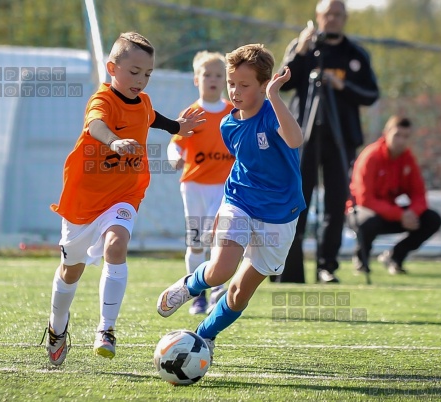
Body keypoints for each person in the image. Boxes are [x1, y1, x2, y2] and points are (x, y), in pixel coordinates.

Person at [42, 32, 205, 366]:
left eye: (147, 74)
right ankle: (57, 327)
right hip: (84, 200)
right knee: (70, 271)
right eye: (134, 72)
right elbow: (96, 124)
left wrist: (177, 126)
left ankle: (106, 329)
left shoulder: (142, 102)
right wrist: (114, 142)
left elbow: (150, 116)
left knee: (117, 244)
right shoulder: (101, 100)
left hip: (125, 193)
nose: (141, 80)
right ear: (112, 68)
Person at [156, 43, 305, 360]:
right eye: (231, 83)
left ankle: (205, 335)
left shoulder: (273, 113)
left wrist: (276, 97)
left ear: (264, 85)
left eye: (244, 85)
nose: (235, 91)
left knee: (238, 293)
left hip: (281, 215)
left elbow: (295, 139)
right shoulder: (228, 124)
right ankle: (190, 287)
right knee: (221, 269)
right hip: (239, 200)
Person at [276, 0, 379, 284]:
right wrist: (300, 51)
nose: (332, 19)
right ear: (317, 17)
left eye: (337, 14)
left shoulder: (354, 53)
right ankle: (287, 266)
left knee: (335, 204)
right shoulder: (304, 47)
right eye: (327, 14)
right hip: (302, 137)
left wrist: (342, 85)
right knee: (297, 200)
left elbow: (371, 94)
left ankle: (327, 266)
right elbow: (282, 84)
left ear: (344, 18)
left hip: (340, 137)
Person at [167, 50, 234, 315]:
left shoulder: (234, 112)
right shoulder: (192, 113)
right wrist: (174, 158)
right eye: (207, 75)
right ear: (197, 79)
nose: (213, 79)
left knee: (219, 238)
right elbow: (176, 144)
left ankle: (218, 289)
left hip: (225, 187)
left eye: (219, 75)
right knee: (196, 241)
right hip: (194, 187)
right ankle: (197, 295)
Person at [346, 115, 441, 275]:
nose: (401, 141)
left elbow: (419, 194)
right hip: (360, 212)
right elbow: (365, 199)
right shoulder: (371, 156)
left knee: (432, 219)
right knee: (368, 220)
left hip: (392, 214)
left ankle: (395, 257)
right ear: (386, 133)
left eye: (406, 136)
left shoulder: (408, 159)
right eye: (397, 135)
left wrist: (412, 213)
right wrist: (400, 214)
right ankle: (361, 260)